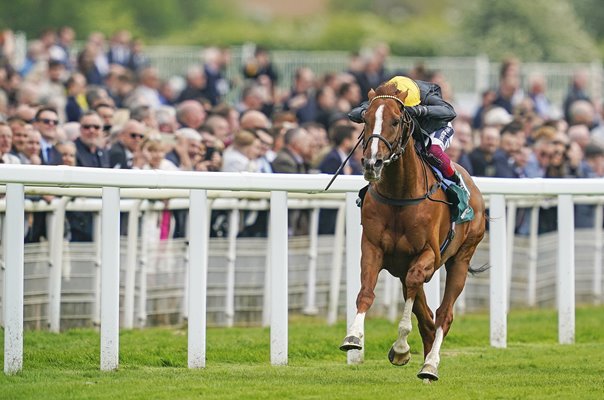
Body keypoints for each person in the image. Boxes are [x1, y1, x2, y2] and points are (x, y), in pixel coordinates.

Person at [348, 75, 472, 209]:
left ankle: (458, 183)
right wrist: (367, 114)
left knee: (433, 150)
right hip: (407, 131)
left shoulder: (425, 94)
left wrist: (419, 110)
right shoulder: (384, 96)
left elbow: (449, 111)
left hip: (436, 128)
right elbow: (353, 113)